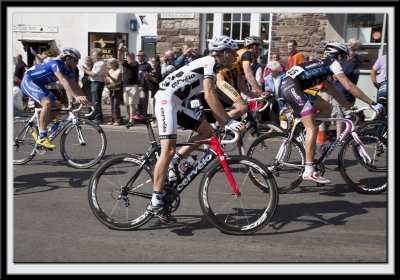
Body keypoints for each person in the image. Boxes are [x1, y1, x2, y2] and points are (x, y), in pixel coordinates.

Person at [149, 36, 245, 222]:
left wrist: (226, 118)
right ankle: (155, 201)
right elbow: (209, 94)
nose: (236, 58)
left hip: (176, 102)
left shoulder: (212, 66)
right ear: (225, 53)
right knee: (167, 150)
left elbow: (212, 96)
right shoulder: (209, 61)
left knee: (208, 131)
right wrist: (228, 122)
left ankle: (176, 160)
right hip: (165, 100)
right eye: (234, 54)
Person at [281, 42, 384, 184]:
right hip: (292, 87)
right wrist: (372, 103)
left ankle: (305, 132)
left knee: (327, 108)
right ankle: (309, 170)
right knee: (312, 128)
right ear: (338, 56)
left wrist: (350, 107)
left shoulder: (325, 67)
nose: (344, 61)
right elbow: (349, 86)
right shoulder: (332, 63)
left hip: (295, 86)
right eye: (344, 57)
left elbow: (333, 91)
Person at [21, 48, 90, 149]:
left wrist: (88, 102)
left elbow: (75, 85)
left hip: (39, 85)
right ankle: (42, 136)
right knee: (47, 103)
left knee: (58, 106)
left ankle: (39, 128)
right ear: (67, 59)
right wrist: (76, 96)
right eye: (75, 60)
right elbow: (63, 81)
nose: (77, 62)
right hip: (29, 81)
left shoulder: (69, 70)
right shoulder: (57, 64)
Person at [117, 42, 141, 127]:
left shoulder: (135, 63)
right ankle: (130, 118)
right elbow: (119, 59)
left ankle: (131, 120)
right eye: (126, 57)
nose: (127, 58)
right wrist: (119, 50)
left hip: (133, 86)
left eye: (128, 56)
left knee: (132, 104)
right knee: (127, 104)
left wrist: (126, 51)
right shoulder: (125, 64)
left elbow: (131, 60)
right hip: (125, 86)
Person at [79, 50, 106, 123]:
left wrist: (85, 70)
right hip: (94, 82)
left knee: (96, 100)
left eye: (94, 55)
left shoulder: (101, 63)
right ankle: (95, 116)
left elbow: (94, 74)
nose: (92, 56)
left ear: (98, 55)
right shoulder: (97, 63)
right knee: (94, 100)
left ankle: (98, 117)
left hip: (97, 83)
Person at [263, 60, 286, 124]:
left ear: (275, 69)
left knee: (283, 116)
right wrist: (268, 92)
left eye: (270, 69)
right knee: (274, 117)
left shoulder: (283, 77)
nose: (268, 71)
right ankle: (273, 129)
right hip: (273, 100)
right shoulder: (268, 78)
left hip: (283, 100)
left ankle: (283, 131)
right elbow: (266, 89)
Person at [104, 58, 123, 126]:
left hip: (118, 89)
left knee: (116, 105)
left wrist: (109, 76)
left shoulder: (119, 70)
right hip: (111, 89)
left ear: (115, 63)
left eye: (111, 63)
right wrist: (105, 78)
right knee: (112, 105)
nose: (110, 64)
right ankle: (113, 119)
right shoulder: (110, 70)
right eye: (109, 63)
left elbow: (117, 81)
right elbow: (108, 81)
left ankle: (118, 120)